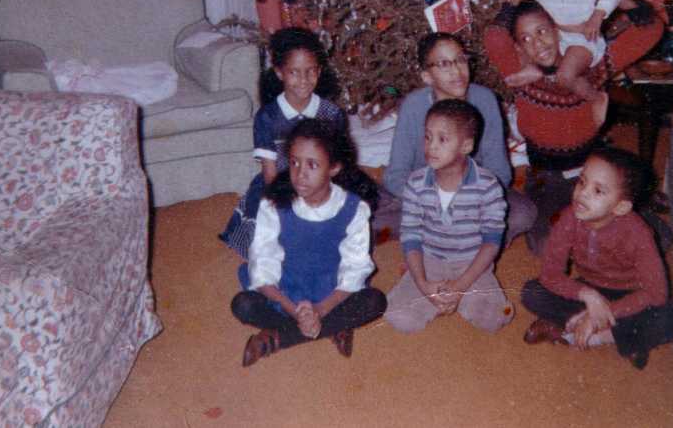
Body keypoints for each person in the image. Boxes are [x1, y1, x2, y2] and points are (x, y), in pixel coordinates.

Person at [230, 119, 387, 367]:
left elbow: (355, 268)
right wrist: (295, 311)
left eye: (312, 165)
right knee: (243, 304)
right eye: (294, 162)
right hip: (286, 291)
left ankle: (279, 338)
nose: (300, 174)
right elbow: (262, 263)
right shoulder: (274, 204)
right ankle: (334, 327)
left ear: (334, 167)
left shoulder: (355, 209)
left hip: (332, 294)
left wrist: (321, 311)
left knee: (375, 301)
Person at [520, 147, 673, 369]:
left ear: (621, 206)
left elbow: (656, 293)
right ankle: (623, 336)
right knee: (532, 292)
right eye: (581, 181)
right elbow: (550, 274)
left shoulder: (638, 233)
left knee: (672, 319)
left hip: (630, 294)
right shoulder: (571, 217)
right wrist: (589, 296)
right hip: (590, 287)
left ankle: (595, 334)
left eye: (598, 191)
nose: (583, 193)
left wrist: (600, 314)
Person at [375, 32, 536, 245]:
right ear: (427, 76)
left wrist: (467, 202)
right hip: (425, 193)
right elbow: (395, 174)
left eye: (460, 60)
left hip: (473, 193)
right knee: (369, 215)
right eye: (443, 64)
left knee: (523, 214)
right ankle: (455, 238)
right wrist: (433, 201)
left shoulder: (484, 99)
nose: (457, 70)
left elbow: (499, 170)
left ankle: (453, 241)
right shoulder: (414, 105)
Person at [384, 99, 514, 333]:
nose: (431, 146)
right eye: (427, 137)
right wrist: (423, 284)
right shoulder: (415, 183)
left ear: (466, 146)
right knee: (398, 317)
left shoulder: (488, 186)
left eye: (442, 139)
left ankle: (455, 297)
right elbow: (410, 236)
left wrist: (461, 285)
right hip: (429, 260)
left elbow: (492, 242)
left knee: (497, 318)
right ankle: (434, 295)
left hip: (471, 264)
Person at [219, 27, 349, 258]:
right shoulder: (267, 117)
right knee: (270, 241)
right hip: (280, 185)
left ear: (319, 71)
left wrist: (321, 197)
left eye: (311, 71)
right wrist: (292, 204)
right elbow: (270, 173)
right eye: (294, 72)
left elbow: (336, 166)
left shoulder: (332, 114)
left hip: (321, 183)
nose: (304, 80)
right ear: (279, 73)